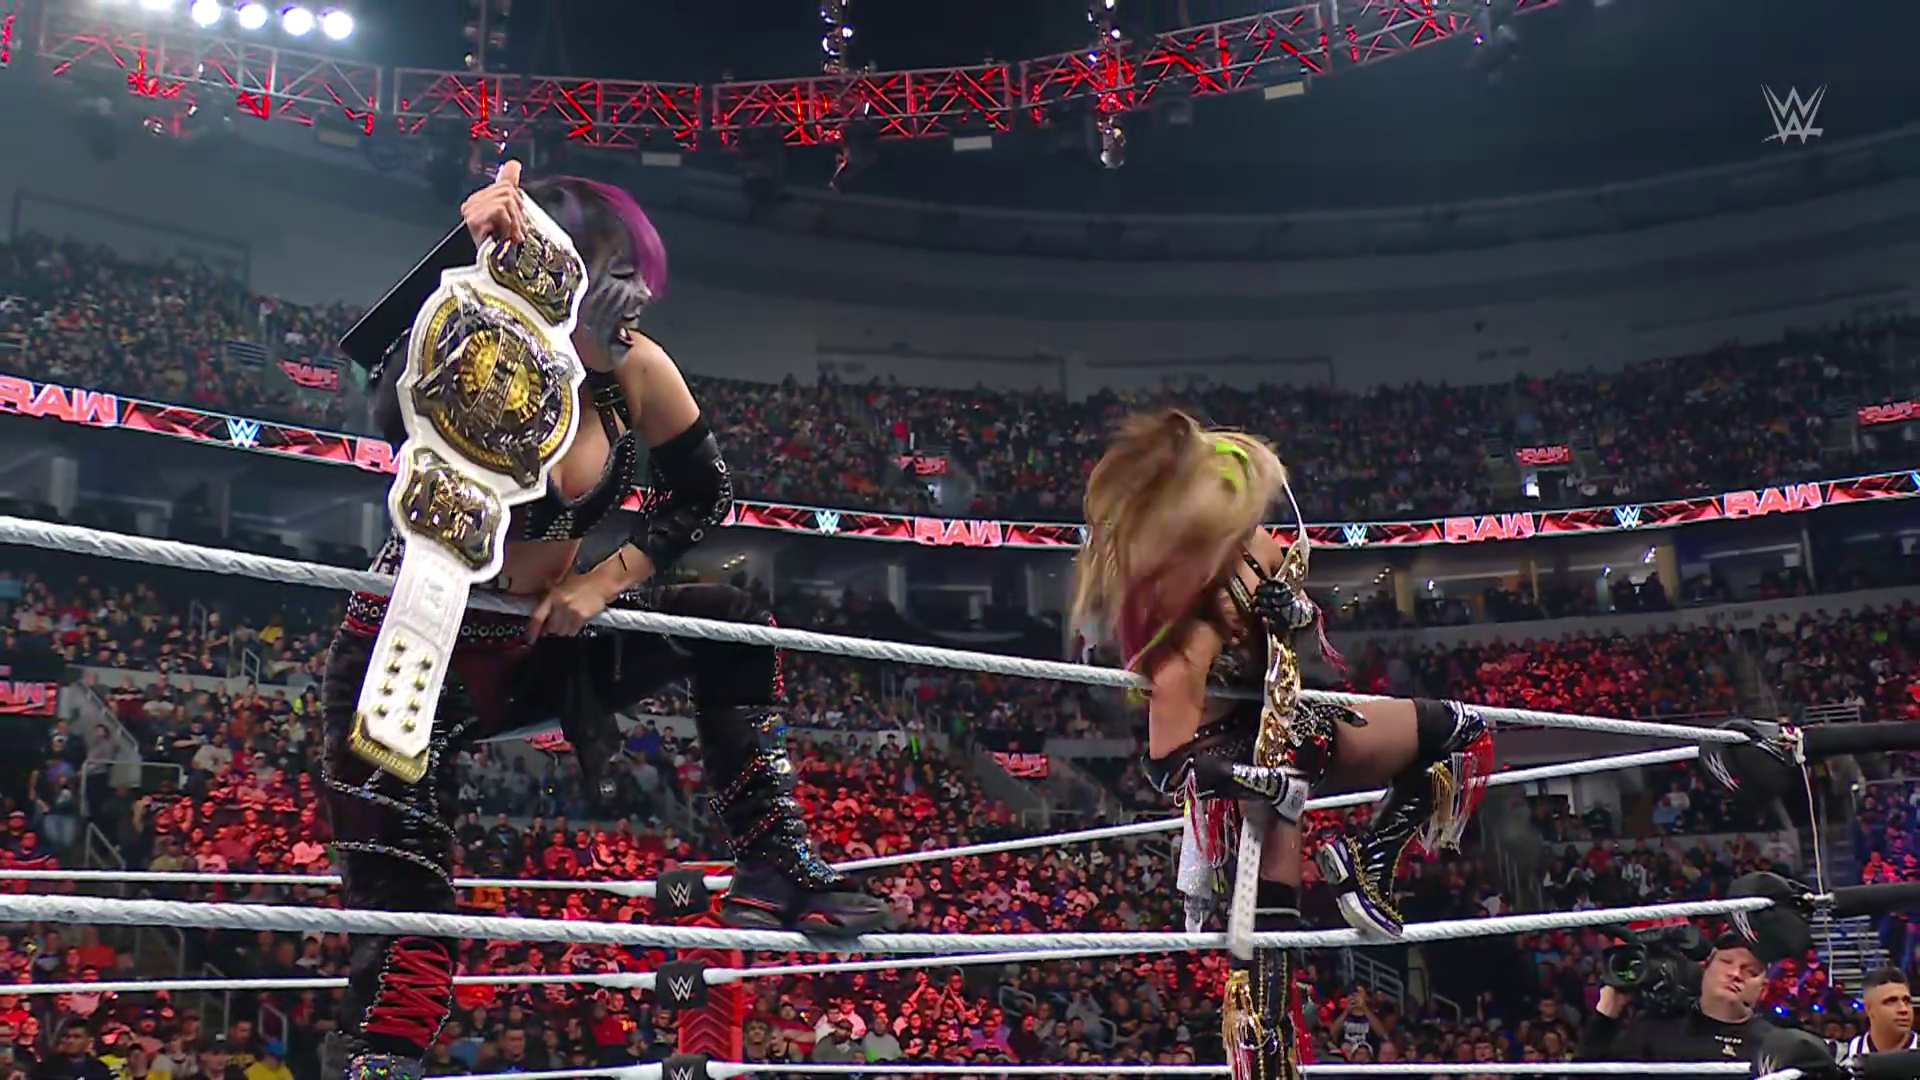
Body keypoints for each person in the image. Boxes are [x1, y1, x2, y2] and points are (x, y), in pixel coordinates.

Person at [319, 162, 893, 1080]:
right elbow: (387, 407)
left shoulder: (635, 370)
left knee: (732, 616)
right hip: (410, 656)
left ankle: (774, 862)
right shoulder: (472, 338)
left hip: (541, 645)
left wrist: (604, 582)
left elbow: (704, 495)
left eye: (636, 272)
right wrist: (465, 259)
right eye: (611, 266)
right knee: (412, 931)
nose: (631, 292)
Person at [1070, 410, 1494, 1080]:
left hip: (1297, 726)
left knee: (1461, 732)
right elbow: (1169, 766)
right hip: (1245, 768)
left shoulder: (1256, 548)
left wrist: (1293, 615)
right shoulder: (1179, 635)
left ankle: (1369, 863)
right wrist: (1257, 783)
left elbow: (1299, 646)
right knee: (1267, 984)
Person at [1574, 931, 1776, 1064]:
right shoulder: (1655, 1026)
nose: (1735, 973)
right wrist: (1607, 1013)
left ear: (1763, 989)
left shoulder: (1772, 1045)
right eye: (1726, 961)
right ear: (1706, 968)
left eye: (1750, 971)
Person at [1837, 968, 1918, 1064]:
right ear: (1869, 1008)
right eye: (1891, 1001)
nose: (1903, 1009)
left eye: (1907, 1001)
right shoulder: (1842, 1055)